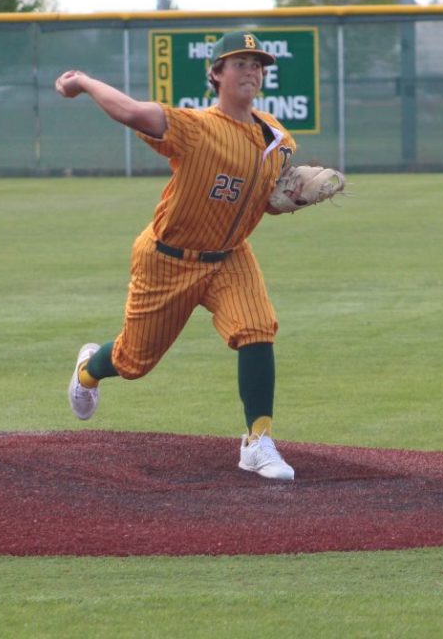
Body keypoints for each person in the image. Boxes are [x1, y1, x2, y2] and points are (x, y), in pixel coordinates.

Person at [55, 31, 297, 480]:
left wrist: (292, 198)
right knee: (132, 361)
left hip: (229, 256)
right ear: (216, 74)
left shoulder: (278, 141)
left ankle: (258, 441)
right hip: (168, 258)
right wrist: (84, 82)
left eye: (257, 63)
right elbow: (130, 111)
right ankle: (89, 369)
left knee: (257, 328)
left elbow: (261, 201)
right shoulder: (196, 128)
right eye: (239, 62)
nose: (251, 70)